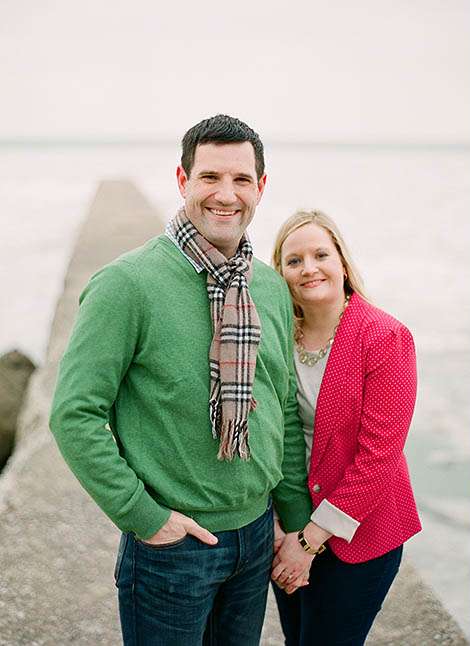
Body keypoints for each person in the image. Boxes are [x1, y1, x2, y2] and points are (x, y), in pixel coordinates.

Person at [49, 114, 315, 645]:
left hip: (257, 535)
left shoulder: (267, 286)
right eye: (210, 177)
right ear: (182, 181)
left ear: (260, 188)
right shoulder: (127, 285)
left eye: (241, 180)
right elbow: (74, 414)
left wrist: (293, 523)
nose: (226, 194)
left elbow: (281, 405)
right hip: (173, 549)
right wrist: (145, 518)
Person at [269, 210, 421, 645]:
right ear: (280, 271)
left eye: (320, 254)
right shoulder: (277, 337)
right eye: (294, 260)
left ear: (342, 261)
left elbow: (379, 456)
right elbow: (268, 434)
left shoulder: (385, 337)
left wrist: (309, 541)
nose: (309, 268)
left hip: (361, 533)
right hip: (292, 520)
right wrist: (280, 525)